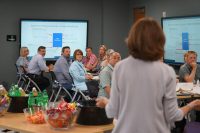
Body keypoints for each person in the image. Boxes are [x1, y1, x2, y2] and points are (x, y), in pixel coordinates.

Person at [96, 17, 200, 133]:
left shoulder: (121, 67)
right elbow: (172, 115)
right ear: (160, 41)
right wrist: (191, 105)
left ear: (133, 39)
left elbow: (113, 111)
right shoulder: (167, 72)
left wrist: (105, 102)